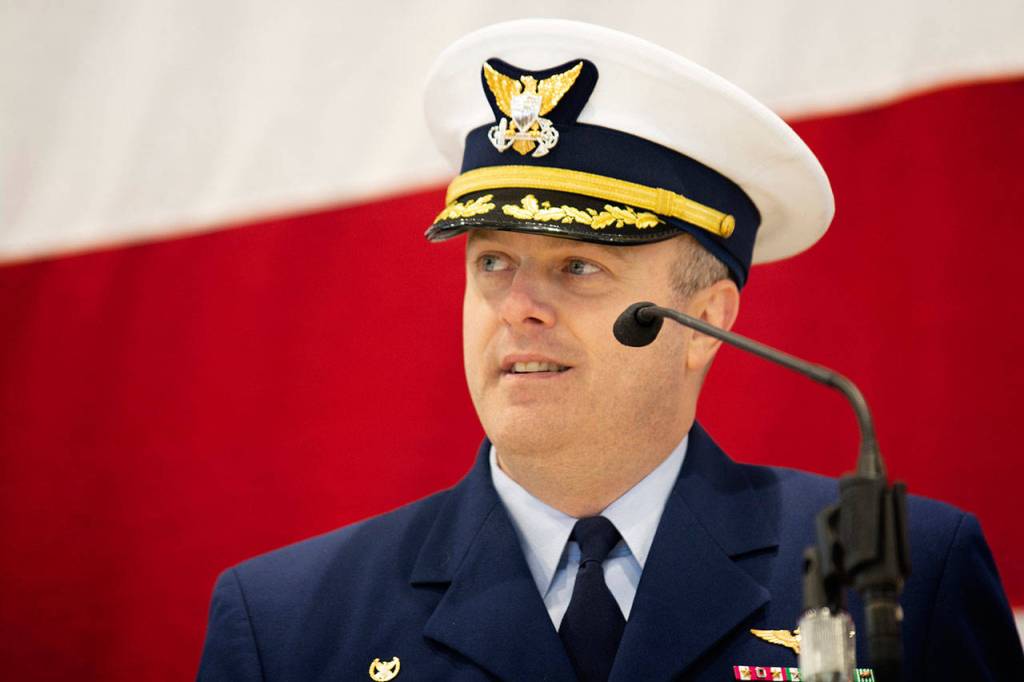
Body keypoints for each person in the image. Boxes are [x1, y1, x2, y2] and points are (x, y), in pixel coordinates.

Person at [197, 19, 1022, 681]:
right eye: (492, 263)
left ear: (705, 318)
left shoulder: (903, 582)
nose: (518, 308)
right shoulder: (287, 626)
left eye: (578, 267)